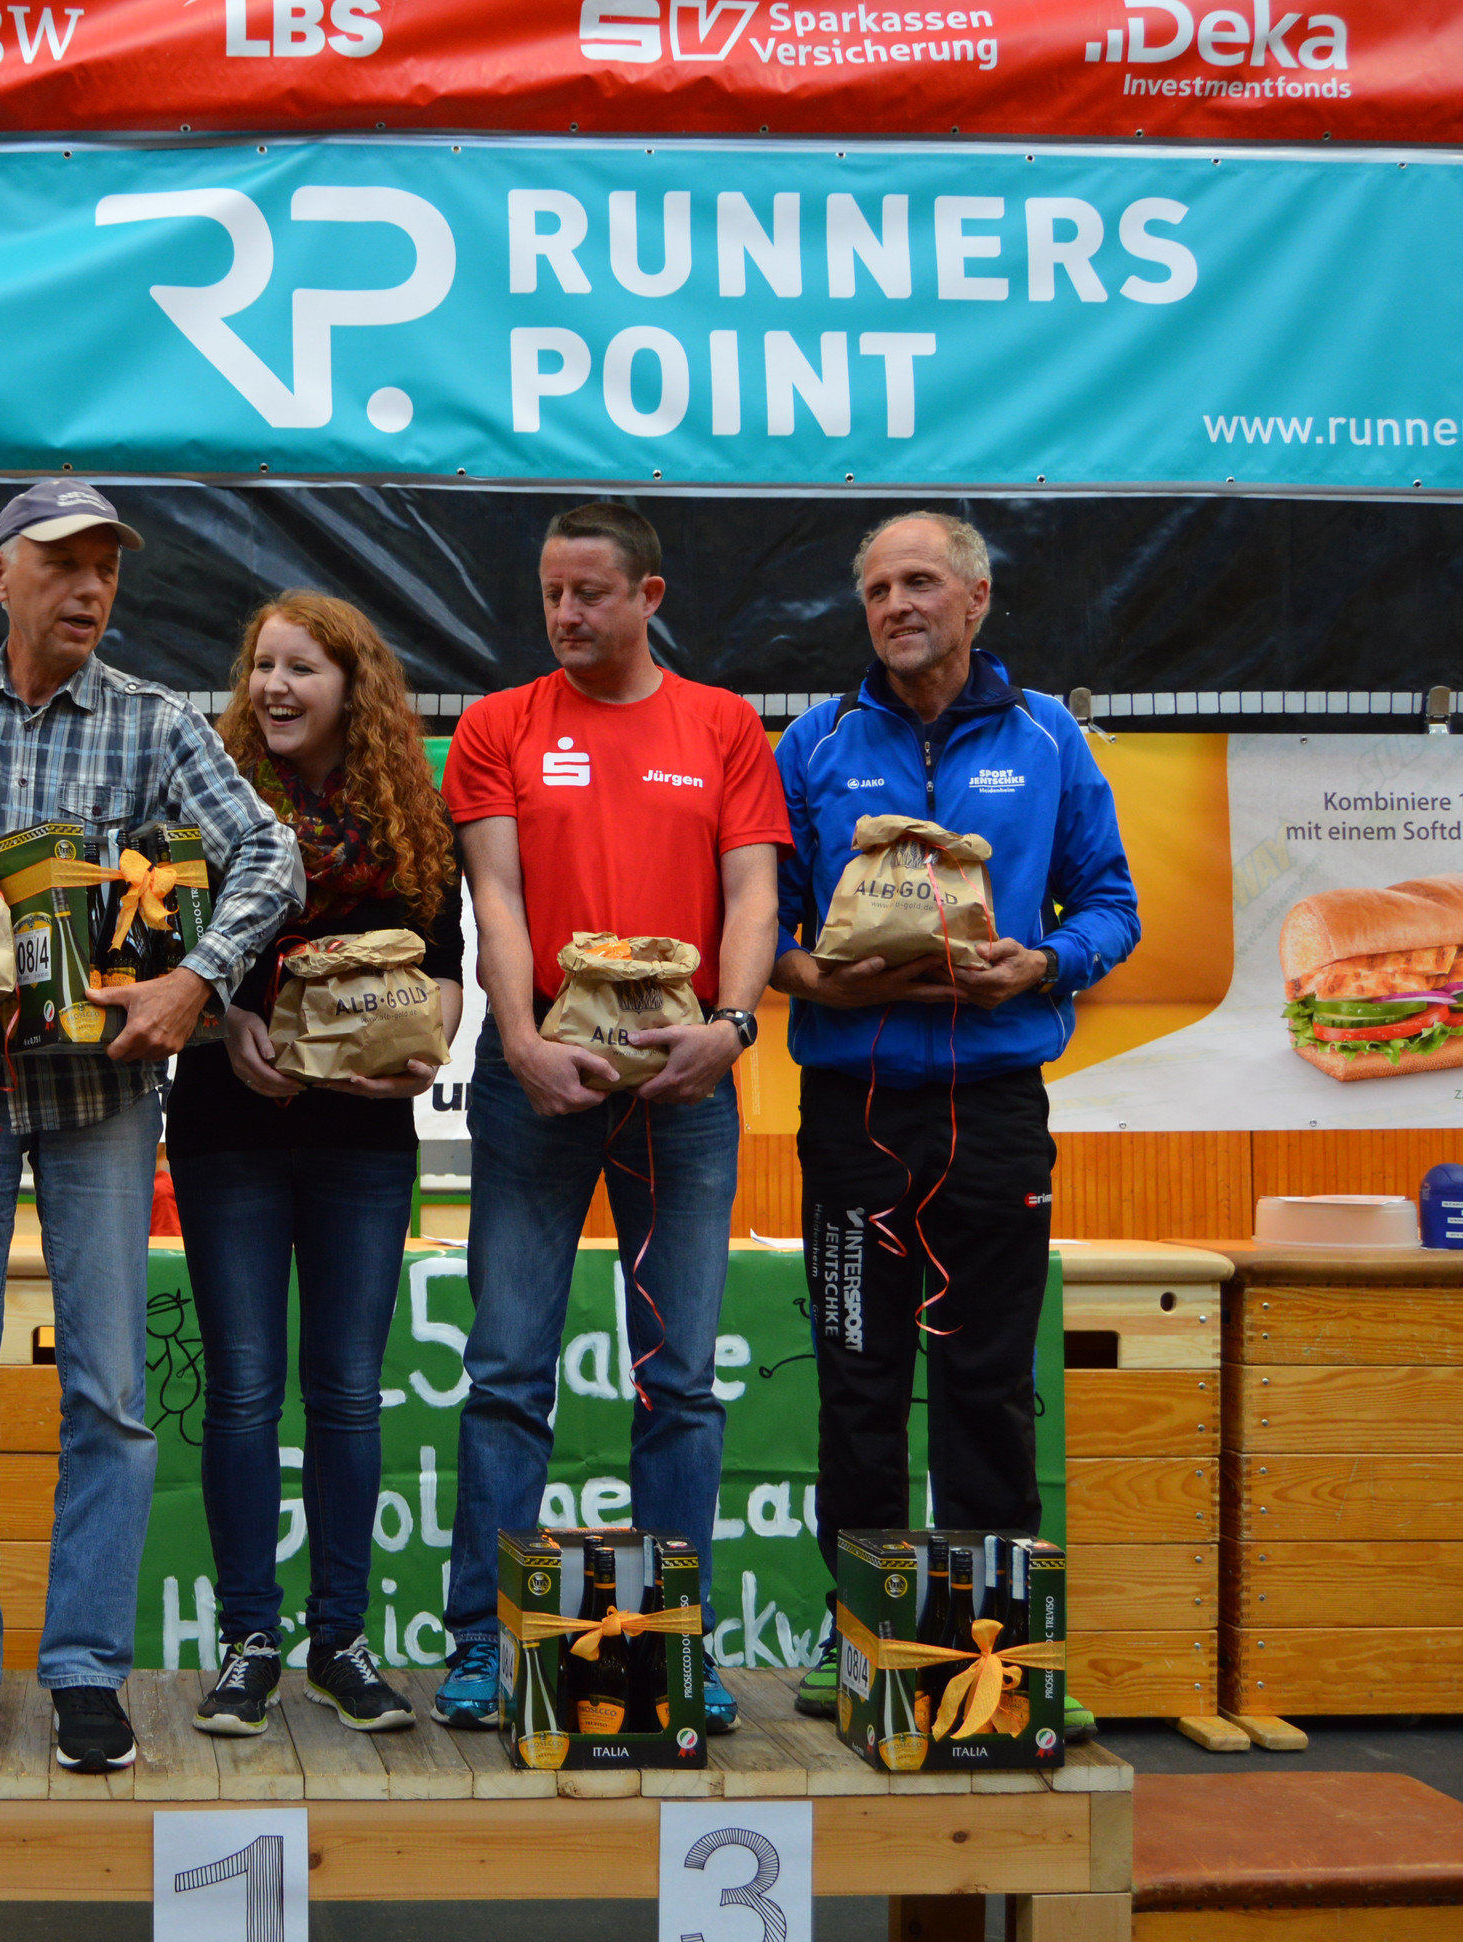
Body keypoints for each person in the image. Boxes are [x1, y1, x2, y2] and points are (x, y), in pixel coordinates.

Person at [0, 480, 299, 1775]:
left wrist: (194, 978)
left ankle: (88, 1669)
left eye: (105, 566)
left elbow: (269, 856)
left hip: (101, 1099)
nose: (89, 587)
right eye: (61, 564)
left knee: (110, 1392)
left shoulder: (156, 721)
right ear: (0, 576)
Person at [770, 512, 1137, 1730]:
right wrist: (806, 976)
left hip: (991, 1104)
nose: (896, 604)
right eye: (877, 587)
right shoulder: (814, 742)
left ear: (975, 598)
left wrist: (1042, 963)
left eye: (919, 581)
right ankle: (862, 1640)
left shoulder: (1045, 737)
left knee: (986, 1385)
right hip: (854, 1110)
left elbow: (1110, 903)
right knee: (857, 1383)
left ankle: (1003, 1657)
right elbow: (764, 923)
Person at [434, 502, 788, 1737]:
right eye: (550, 592)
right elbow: (493, 898)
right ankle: (480, 1642)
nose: (564, 614)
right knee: (505, 1371)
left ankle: (673, 1641)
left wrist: (729, 1027)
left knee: (678, 1379)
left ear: (648, 595)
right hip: (536, 1080)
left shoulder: (723, 724)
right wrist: (521, 1040)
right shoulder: (496, 725)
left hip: (684, 1087)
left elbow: (752, 897)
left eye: (589, 592)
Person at [167, 592, 461, 1739]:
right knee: (242, 1389)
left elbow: (443, 969)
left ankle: (340, 1639)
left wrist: (415, 1054)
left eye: (300, 667)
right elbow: (162, 953)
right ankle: (249, 1640)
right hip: (226, 1125)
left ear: (353, 686)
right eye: (261, 666)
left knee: (343, 1389)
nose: (274, 687)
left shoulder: (408, 816)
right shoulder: (206, 798)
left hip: (359, 1136)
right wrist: (220, 1021)